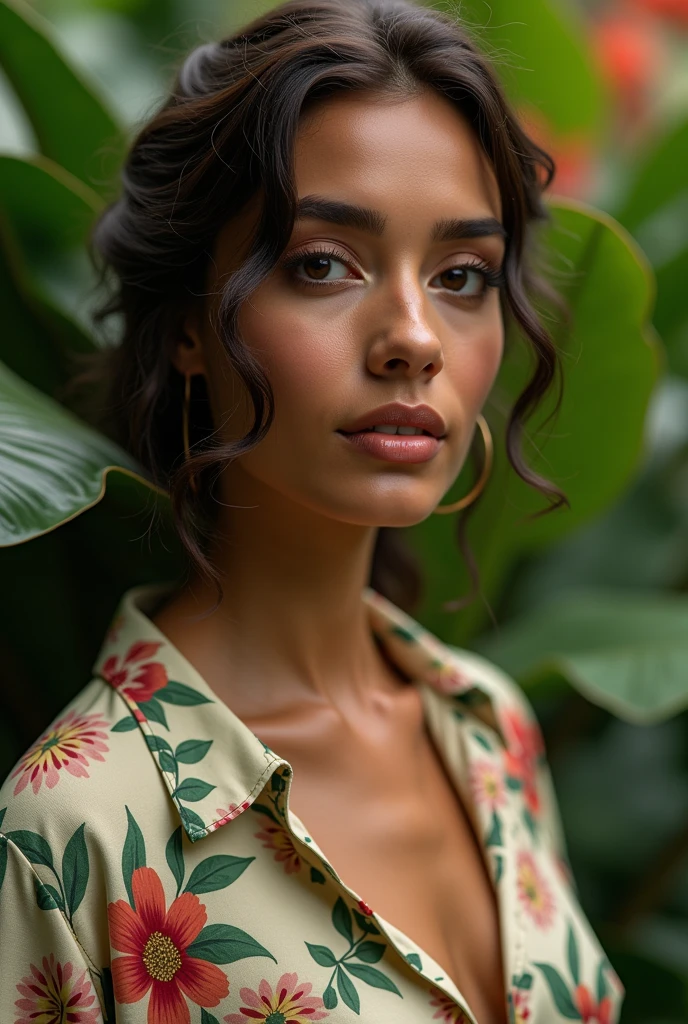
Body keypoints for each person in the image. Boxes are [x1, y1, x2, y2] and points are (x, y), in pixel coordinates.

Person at [0, 1, 625, 1022]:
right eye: (323, 263)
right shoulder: (76, 828)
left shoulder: (485, 726)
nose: (413, 338)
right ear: (191, 323)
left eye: (462, 276)